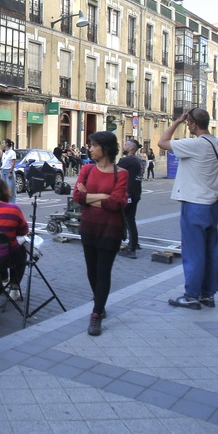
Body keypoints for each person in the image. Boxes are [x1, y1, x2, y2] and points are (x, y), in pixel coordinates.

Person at [159, 108, 218, 310]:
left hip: (195, 203)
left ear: (192, 124)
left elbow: (162, 142)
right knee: (210, 251)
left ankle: (191, 295)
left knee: (193, 252)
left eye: (188, 122)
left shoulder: (195, 144)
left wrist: (177, 121)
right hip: (213, 202)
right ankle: (208, 294)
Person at [73, 131, 129, 336]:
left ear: (105, 148)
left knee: (104, 271)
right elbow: (77, 196)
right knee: (91, 270)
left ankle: (96, 314)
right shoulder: (87, 169)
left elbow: (116, 202)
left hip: (110, 230)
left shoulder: (121, 173)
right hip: (89, 227)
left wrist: (89, 196)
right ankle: (100, 300)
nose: (90, 148)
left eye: (93, 145)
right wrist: (102, 197)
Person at [117, 139, 144, 258]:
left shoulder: (127, 160)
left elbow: (113, 171)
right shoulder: (139, 160)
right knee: (130, 219)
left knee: (126, 220)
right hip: (136, 193)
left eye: (126, 145)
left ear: (132, 149)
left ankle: (131, 248)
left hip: (128, 194)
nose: (124, 146)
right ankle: (134, 243)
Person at [1, 138, 18, 203]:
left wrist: (11, 172)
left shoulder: (12, 153)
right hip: (3, 171)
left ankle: (12, 204)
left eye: (3, 143)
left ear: (7, 144)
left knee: (10, 189)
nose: (2, 144)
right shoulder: (4, 153)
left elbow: (13, 163)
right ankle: (5, 203)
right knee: (3, 189)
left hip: (8, 171)